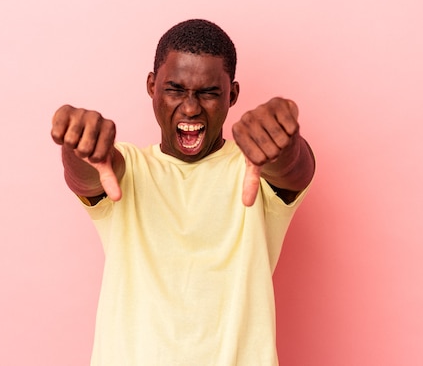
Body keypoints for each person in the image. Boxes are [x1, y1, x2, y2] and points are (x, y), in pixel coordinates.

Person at [51, 19, 315, 366]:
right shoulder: (128, 168)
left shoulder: (254, 167)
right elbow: (87, 175)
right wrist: (77, 145)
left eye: (209, 92)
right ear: (152, 86)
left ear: (233, 95)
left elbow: (295, 170)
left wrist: (284, 142)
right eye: (176, 89)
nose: (191, 108)